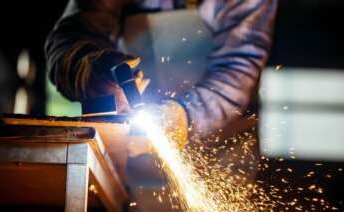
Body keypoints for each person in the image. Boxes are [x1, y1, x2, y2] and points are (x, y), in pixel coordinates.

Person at [45, 0, 277, 207]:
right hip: (132, 158)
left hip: (220, 157)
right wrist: (90, 71)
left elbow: (239, 65)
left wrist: (183, 116)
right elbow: (72, 36)